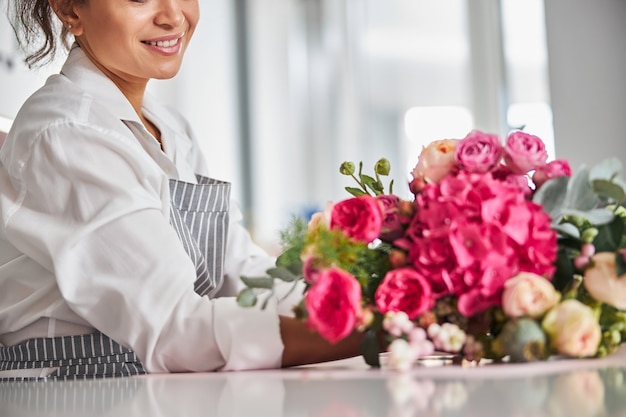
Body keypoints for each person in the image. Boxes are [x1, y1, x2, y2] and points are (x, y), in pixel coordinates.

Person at [0, 0, 363, 380]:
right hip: (71, 393)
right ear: (71, 10)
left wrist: (371, 305)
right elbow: (173, 327)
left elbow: (243, 275)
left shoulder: (169, 128)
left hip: (156, 385)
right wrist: (368, 333)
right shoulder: (66, 133)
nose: (173, 16)